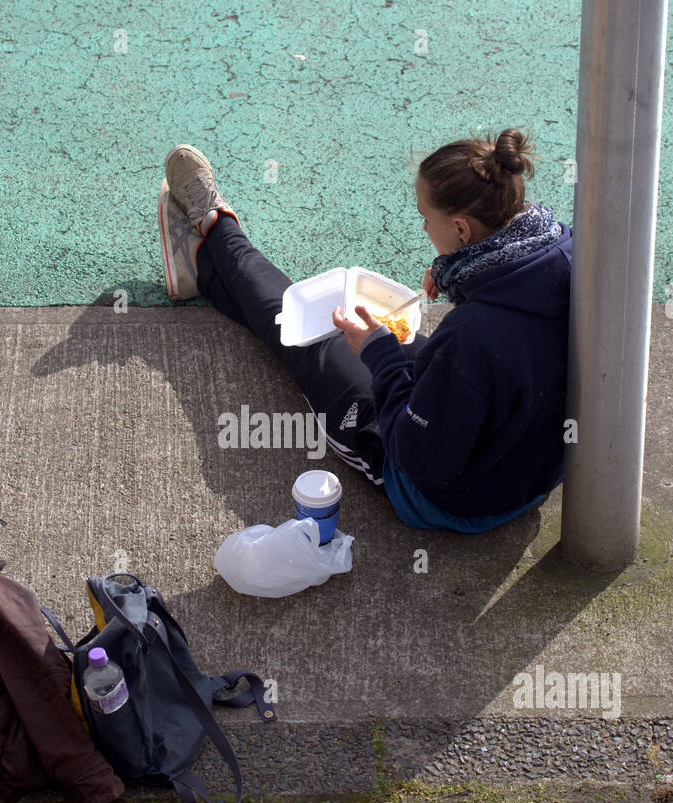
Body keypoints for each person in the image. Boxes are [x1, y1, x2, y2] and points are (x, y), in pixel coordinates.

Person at [158, 130, 572, 532]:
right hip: (526, 469)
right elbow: (509, 346)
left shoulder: (469, 338)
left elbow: (416, 454)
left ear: (462, 230)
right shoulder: (564, 251)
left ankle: (216, 225)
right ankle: (205, 269)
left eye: (426, 218)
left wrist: (379, 353)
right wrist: (459, 275)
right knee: (339, 331)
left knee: (314, 336)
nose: (425, 228)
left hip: (452, 499)